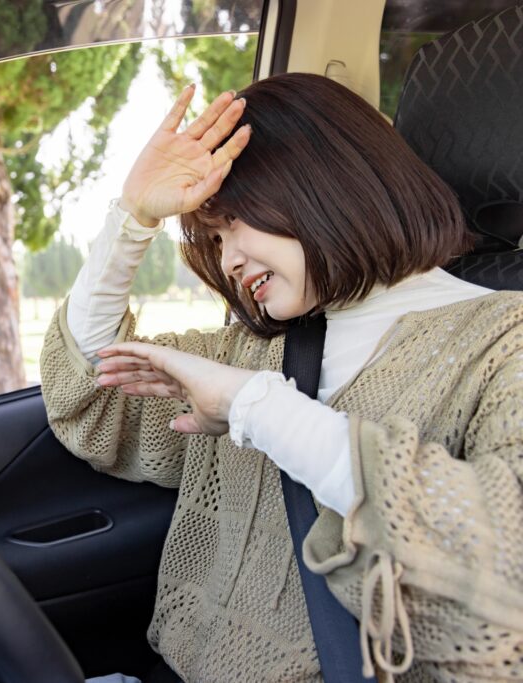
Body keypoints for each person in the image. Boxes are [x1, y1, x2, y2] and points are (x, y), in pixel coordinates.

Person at [41, 72, 523, 682]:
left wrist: (257, 410)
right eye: (214, 238)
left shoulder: (503, 340)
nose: (227, 260)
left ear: (322, 182)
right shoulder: (254, 352)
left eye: (236, 220)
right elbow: (88, 398)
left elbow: (506, 569)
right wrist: (133, 215)